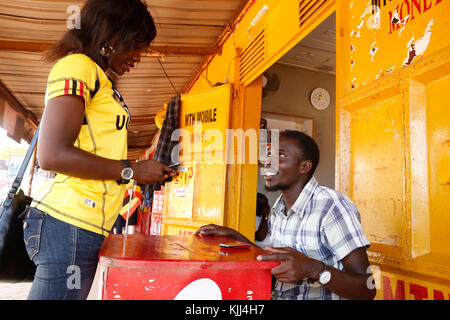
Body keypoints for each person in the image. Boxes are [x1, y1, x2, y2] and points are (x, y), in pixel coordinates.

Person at [21, 0, 173, 300]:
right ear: (112, 37)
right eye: (136, 45)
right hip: (69, 223)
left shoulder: (100, 78)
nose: (138, 57)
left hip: (82, 227)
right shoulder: (78, 66)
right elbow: (51, 155)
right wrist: (130, 170)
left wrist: (136, 172)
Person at [195, 130, 375, 300]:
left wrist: (314, 269)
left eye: (280, 156)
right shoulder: (279, 207)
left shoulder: (331, 206)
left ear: (304, 167)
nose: (268, 162)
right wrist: (234, 236)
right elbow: (274, 259)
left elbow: (367, 289)